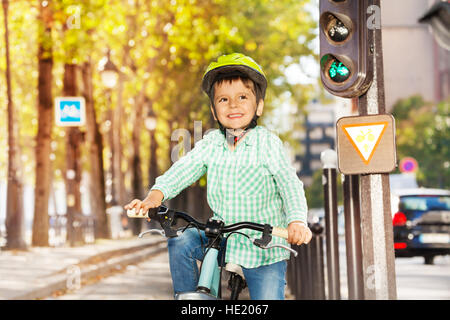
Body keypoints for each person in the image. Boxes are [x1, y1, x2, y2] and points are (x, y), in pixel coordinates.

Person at [124, 53, 312, 299]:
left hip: (263, 246)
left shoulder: (267, 142)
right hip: (222, 239)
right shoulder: (211, 142)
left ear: (260, 106)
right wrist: (154, 197)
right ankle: (191, 300)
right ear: (214, 110)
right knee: (182, 241)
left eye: (243, 97)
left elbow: (289, 184)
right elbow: (183, 169)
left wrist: (296, 221)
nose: (233, 105)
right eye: (224, 99)